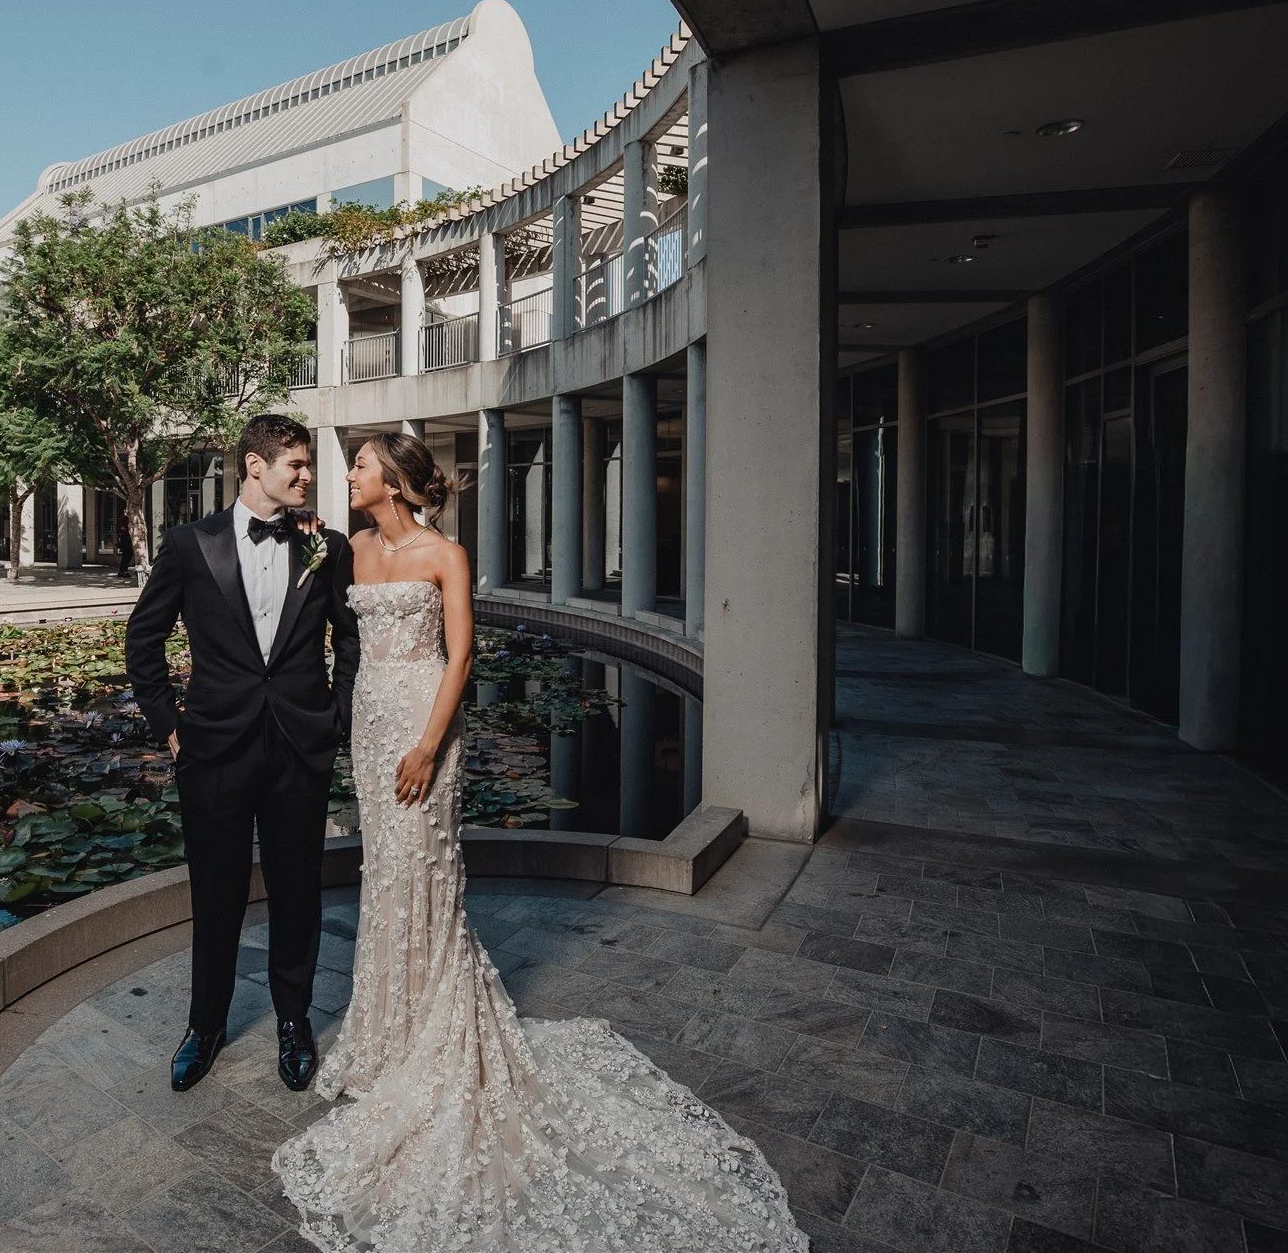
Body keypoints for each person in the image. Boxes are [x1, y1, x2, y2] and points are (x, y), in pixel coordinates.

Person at [271, 433, 805, 1252]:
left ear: (398, 481)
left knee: (425, 871)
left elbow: (461, 657)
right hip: (371, 723)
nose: (349, 473)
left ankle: (433, 1032)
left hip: (423, 721)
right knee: (386, 874)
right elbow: (333, 621)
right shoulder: (353, 551)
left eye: (362, 464)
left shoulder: (445, 554)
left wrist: (428, 745)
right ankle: (386, 1033)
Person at [123, 415, 359, 1097]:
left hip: (298, 747)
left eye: (308, 464)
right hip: (213, 750)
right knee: (215, 893)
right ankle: (205, 1027)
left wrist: (336, 720)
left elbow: (350, 641)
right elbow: (143, 640)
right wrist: (171, 727)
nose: (307, 475)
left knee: (297, 891)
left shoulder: (325, 546)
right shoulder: (188, 544)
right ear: (256, 465)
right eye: (296, 464)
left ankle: (293, 1022)